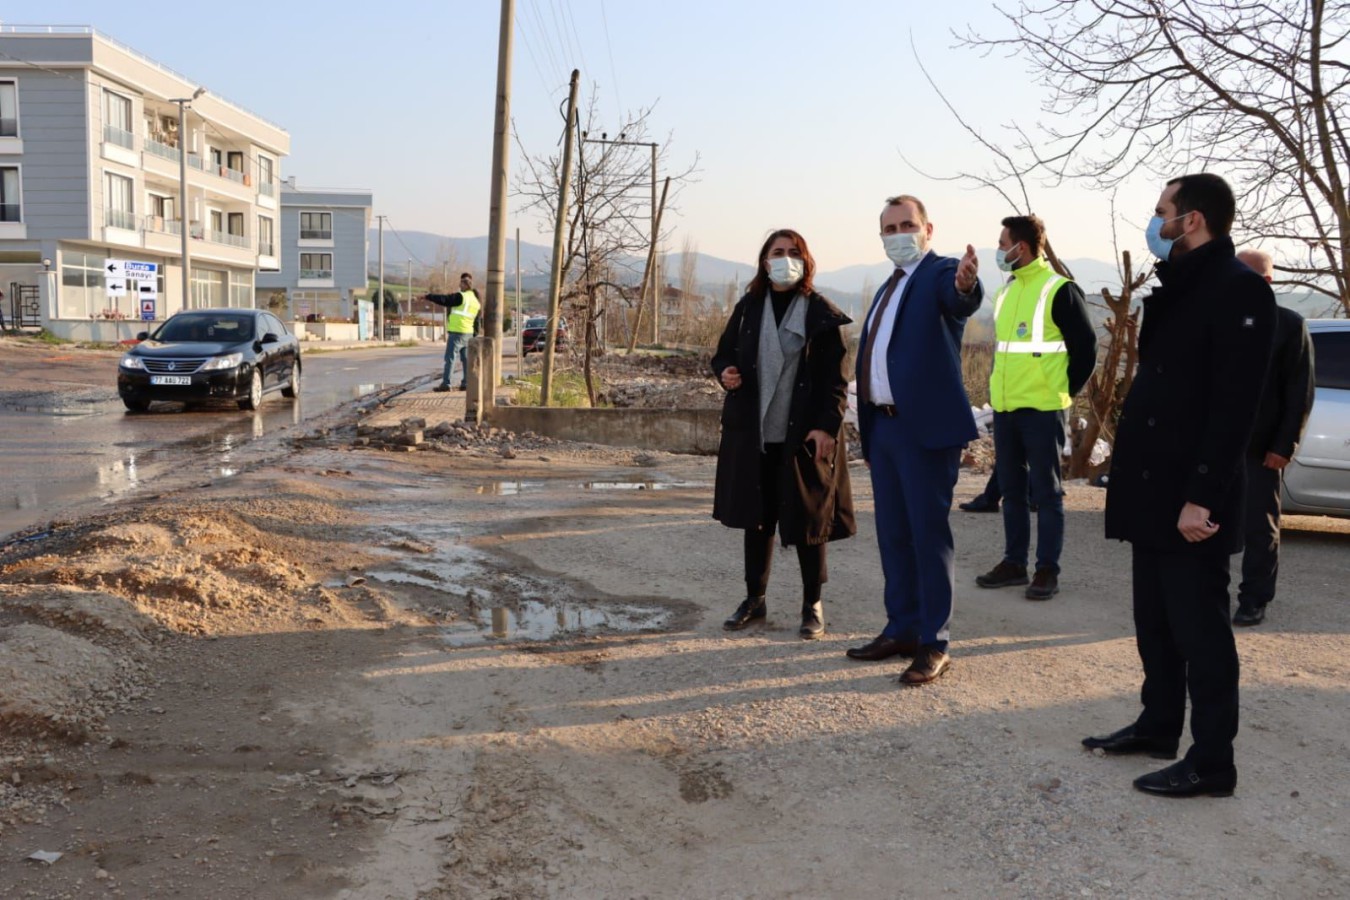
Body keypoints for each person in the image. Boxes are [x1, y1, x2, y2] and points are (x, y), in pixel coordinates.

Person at [1085, 173, 1276, 798]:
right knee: (1156, 621)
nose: (1156, 222)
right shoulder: (1181, 284)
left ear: (1191, 220)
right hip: (1153, 487)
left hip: (1192, 496)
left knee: (1201, 633)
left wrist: (1202, 496)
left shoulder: (1239, 289)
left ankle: (1212, 762)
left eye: (1162, 210)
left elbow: (1234, 409)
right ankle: (1158, 724)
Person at [846, 195, 982, 685]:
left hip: (923, 430)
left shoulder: (940, 272)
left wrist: (967, 283)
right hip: (884, 428)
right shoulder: (889, 285)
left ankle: (933, 641)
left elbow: (959, 296)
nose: (899, 234)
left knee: (927, 535)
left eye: (907, 224)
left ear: (928, 229)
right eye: (890, 228)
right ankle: (901, 627)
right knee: (894, 534)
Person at [712, 229, 855, 639]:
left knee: (810, 522)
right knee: (756, 521)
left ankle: (813, 605)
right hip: (754, 435)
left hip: (803, 438)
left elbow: (836, 380)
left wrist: (826, 427)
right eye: (778, 252)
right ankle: (754, 600)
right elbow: (722, 354)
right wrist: (725, 372)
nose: (786, 258)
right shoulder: (748, 308)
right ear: (765, 261)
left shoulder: (820, 313)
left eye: (794, 252)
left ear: (805, 261)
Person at [975, 215, 1097, 600]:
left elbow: (1086, 349)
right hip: (1006, 408)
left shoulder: (1059, 289)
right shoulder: (1007, 292)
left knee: (1046, 493)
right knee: (1012, 491)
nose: (998, 250)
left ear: (1021, 247)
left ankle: (1047, 570)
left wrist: (1061, 391)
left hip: (1043, 410)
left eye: (1002, 243)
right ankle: (1014, 563)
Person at [1232, 249, 1315, 627]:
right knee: (1205, 523)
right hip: (1216, 445)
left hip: (1260, 448)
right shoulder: (1217, 318)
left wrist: (1284, 446)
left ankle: (1254, 599)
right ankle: (1205, 593)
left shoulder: (1289, 325)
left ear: (1266, 281)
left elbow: (1300, 392)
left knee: (1258, 527)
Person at [425, 273, 480, 391]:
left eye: (461, 284)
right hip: (468, 333)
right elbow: (477, 319)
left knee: (450, 358)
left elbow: (445, 299)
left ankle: (446, 384)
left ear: (465, 285)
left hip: (457, 332)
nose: (459, 286)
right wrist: (475, 333)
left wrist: (429, 296)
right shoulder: (475, 301)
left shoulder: (461, 297)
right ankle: (466, 383)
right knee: (466, 359)